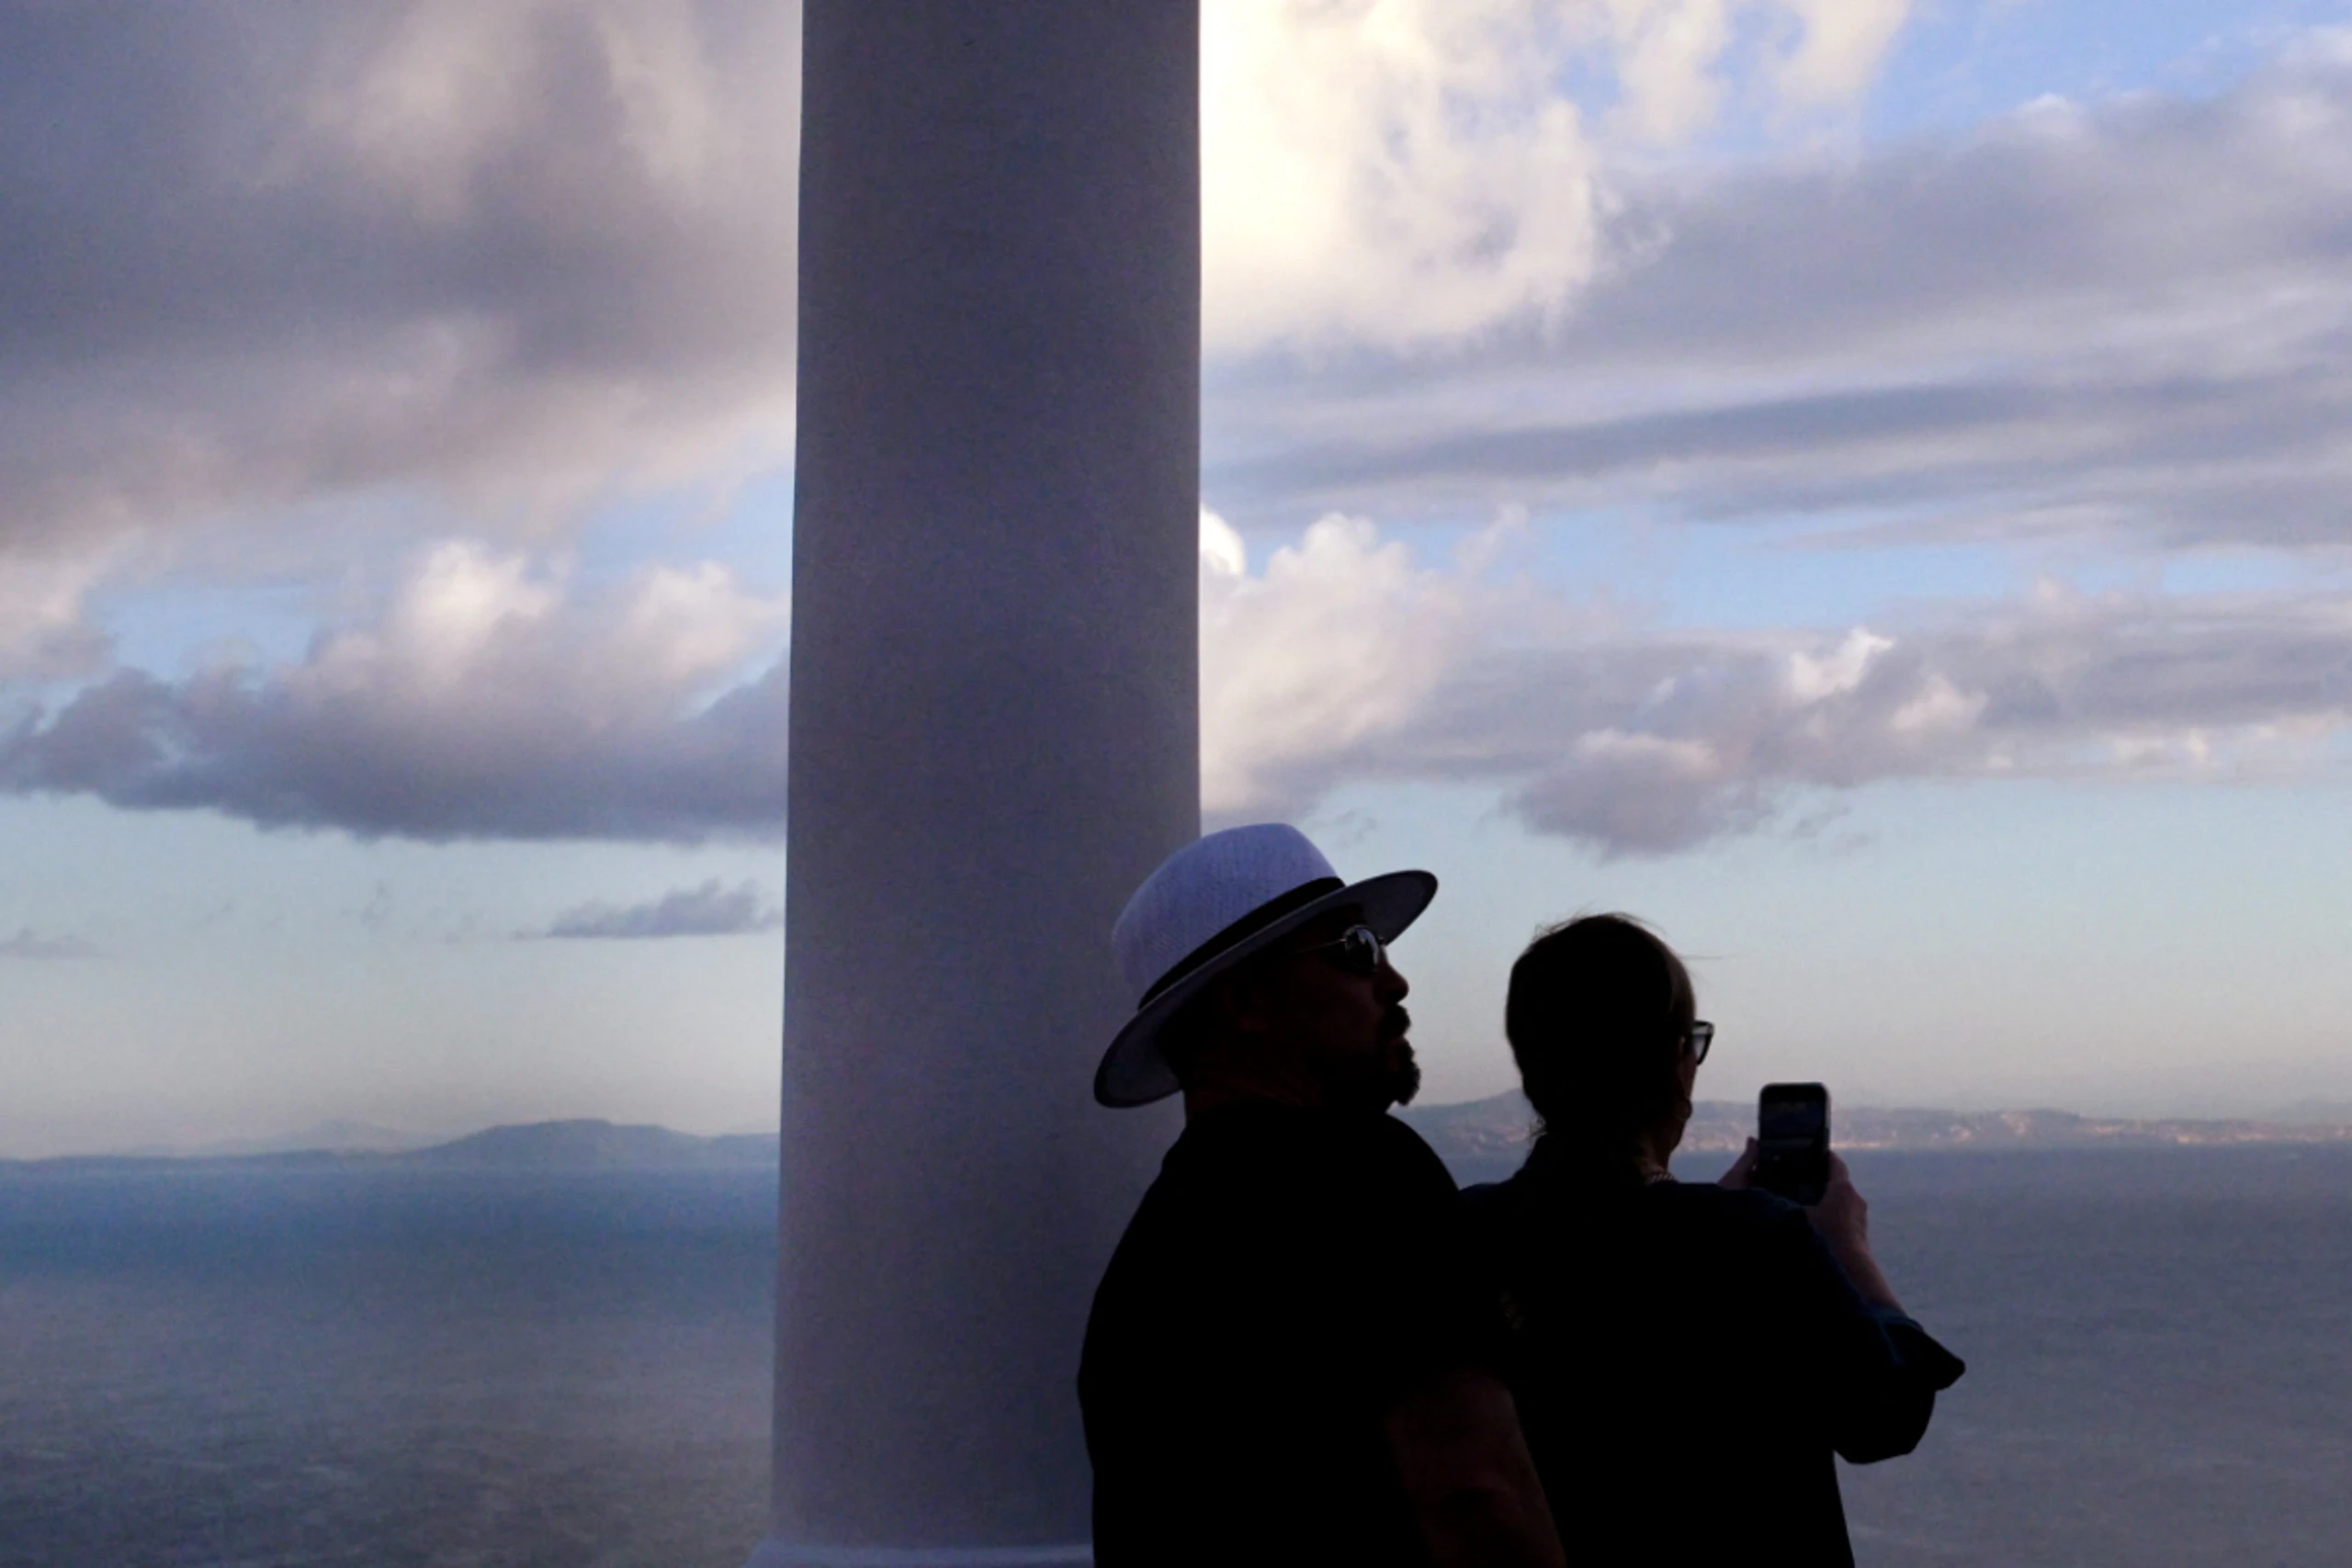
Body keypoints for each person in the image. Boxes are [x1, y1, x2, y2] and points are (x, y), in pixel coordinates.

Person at [1080, 824, 1566, 1568]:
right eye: (1356, 951)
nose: (1394, 981)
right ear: (1246, 1002)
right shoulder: (1364, 1173)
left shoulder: (1142, 1269)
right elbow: (1478, 1494)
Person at [1463, 913, 1964, 1568]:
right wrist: (1850, 1252)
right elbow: (1884, 1417)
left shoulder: (1466, 1230)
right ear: (1675, 1064)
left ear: (1532, 1066)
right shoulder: (1755, 1240)